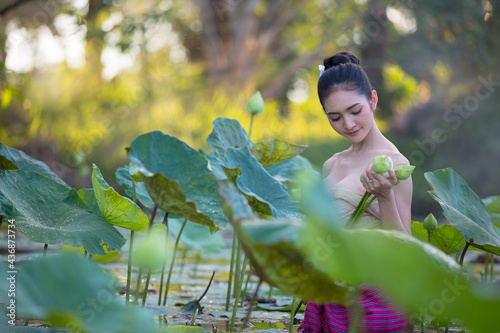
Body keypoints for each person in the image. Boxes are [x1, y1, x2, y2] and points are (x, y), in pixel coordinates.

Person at [297, 51, 414, 332]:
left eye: (355, 111)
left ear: (372, 100)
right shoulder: (331, 164)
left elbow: (407, 252)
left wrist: (385, 197)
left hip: (375, 304)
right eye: (334, 117)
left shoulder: (396, 165)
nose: (347, 125)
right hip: (330, 295)